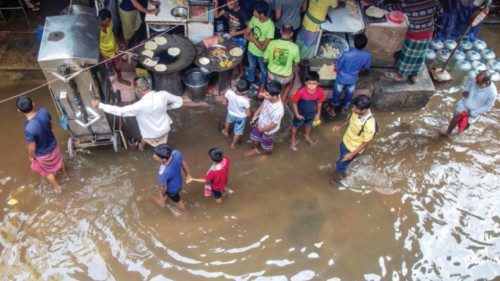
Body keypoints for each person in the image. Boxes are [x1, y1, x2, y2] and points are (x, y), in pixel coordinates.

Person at [91, 77, 183, 150]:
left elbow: (120, 111)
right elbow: (179, 101)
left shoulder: (138, 106)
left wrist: (100, 105)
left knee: (145, 139)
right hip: (165, 129)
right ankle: (161, 149)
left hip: (150, 134)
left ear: (138, 91)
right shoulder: (163, 94)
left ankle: (141, 148)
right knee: (160, 142)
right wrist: (167, 107)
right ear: (149, 85)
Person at [381, 0, 440, 83]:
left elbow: (390, 7)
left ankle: (400, 76)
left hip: (415, 34)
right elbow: (438, 13)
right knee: (420, 55)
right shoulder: (434, 1)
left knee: (407, 56)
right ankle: (414, 73)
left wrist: (377, 4)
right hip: (428, 32)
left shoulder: (407, 3)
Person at [17, 97, 65, 193]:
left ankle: (58, 188)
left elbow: (32, 146)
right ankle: (65, 173)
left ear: (19, 110)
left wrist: (31, 157)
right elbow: (50, 125)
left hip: (43, 154)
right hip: (54, 145)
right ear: (33, 103)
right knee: (59, 160)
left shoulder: (28, 128)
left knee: (47, 172)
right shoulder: (43, 112)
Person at [331, 95, 376, 184]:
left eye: (355, 109)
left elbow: (366, 142)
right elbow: (351, 120)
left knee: (340, 165)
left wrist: (351, 154)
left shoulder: (369, 125)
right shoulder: (357, 112)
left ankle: (343, 179)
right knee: (341, 160)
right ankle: (342, 169)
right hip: (345, 141)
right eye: (353, 107)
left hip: (352, 148)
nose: (352, 109)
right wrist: (339, 126)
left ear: (364, 110)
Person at [330, 33, 371, 114]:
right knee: (349, 94)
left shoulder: (346, 54)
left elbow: (337, 66)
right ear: (365, 45)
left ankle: (333, 108)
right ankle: (344, 107)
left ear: (354, 42)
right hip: (353, 78)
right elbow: (366, 67)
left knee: (336, 93)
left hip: (341, 78)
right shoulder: (367, 55)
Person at [446, 70, 497, 135]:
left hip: (474, 111)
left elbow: (488, 106)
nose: (475, 82)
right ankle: (447, 133)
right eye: (476, 80)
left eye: (478, 82)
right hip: (464, 105)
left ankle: (456, 135)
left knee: (463, 127)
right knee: (454, 120)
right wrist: (465, 91)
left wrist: (473, 113)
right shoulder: (475, 79)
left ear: (485, 82)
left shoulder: (492, 92)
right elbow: (467, 86)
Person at [263, 24, 300, 103]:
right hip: (285, 78)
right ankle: (283, 98)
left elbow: (265, 60)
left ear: (280, 31)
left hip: (271, 75)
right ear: (292, 34)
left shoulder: (271, 43)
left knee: (269, 77)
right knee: (292, 79)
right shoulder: (295, 47)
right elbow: (296, 64)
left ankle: (270, 93)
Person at [246, 81, 285, 156]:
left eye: (266, 94)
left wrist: (262, 129)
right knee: (255, 138)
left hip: (268, 130)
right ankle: (255, 148)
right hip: (259, 121)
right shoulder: (271, 96)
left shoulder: (278, 111)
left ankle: (266, 154)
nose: (263, 94)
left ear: (274, 97)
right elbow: (263, 104)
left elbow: (273, 125)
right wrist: (256, 114)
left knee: (267, 144)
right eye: (264, 92)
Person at [153, 144, 192, 215]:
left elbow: (163, 187)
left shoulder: (163, 173)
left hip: (172, 190)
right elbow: (184, 164)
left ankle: (185, 213)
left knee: (178, 201)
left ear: (163, 159)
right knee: (168, 196)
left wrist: (161, 195)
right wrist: (188, 175)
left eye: (156, 155)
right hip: (179, 182)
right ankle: (164, 201)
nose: (154, 156)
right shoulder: (176, 153)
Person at [290, 71, 325, 151]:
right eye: (309, 83)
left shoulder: (320, 91)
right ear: (305, 83)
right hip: (301, 114)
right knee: (296, 126)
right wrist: (297, 114)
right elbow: (294, 102)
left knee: (309, 125)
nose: (312, 86)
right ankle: (293, 138)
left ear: (318, 83)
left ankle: (307, 135)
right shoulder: (301, 92)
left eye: (314, 83)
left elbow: (319, 102)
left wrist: (318, 113)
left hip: (312, 114)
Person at [216, 0, 249, 77]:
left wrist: (236, 33)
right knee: (228, 53)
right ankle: (232, 70)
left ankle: (241, 72)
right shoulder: (228, 8)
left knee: (238, 56)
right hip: (231, 36)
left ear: (237, 3)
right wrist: (216, 4)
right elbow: (216, 16)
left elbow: (249, 28)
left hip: (240, 38)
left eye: (231, 2)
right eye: (228, 1)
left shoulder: (243, 13)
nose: (228, 4)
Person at [244, 1, 275, 85]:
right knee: (251, 67)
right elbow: (245, 35)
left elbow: (263, 48)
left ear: (261, 14)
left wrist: (253, 39)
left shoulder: (270, 26)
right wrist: (259, 42)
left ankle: (263, 85)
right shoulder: (254, 18)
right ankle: (250, 81)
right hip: (250, 50)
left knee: (264, 71)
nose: (253, 13)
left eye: (255, 12)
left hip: (262, 54)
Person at [99, 9, 131, 86]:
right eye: (107, 22)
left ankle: (120, 79)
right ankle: (109, 83)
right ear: (100, 20)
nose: (109, 23)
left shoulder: (109, 23)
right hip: (105, 54)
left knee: (118, 66)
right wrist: (104, 56)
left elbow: (112, 32)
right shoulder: (96, 30)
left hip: (115, 49)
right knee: (107, 69)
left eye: (110, 21)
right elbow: (94, 45)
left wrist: (119, 42)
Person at [221, 79, 251, 149]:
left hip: (231, 113)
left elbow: (224, 103)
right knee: (238, 131)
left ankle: (225, 132)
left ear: (236, 86)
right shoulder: (246, 100)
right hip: (240, 117)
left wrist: (231, 103)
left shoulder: (229, 92)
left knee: (228, 122)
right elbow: (248, 114)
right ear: (246, 91)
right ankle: (233, 144)